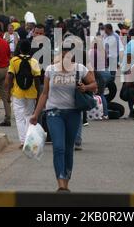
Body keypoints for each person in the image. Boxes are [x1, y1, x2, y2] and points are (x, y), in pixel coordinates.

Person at [28, 45, 97, 192]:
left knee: (68, 149)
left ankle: (66, 180)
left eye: (68, 54)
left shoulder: (80, 69)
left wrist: (85, 88)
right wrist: (36, 114)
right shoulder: (50, 70)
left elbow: (94, 84)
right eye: (63, 54)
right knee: (58, 147)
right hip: (54, 113)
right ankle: (60, 182)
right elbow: (45, 93)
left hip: (73, 113)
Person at [6, 40, 41, 148]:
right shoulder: (34, 61)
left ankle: (23, 141)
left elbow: (10, 78)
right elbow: (37, 80)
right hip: (31, 93)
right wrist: (38, 95)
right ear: (29, 50)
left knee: (19, 118)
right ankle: (28, 141)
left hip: (17, 93)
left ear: (20, 49)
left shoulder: (14, 60)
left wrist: (8, 93)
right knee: (29, 116)